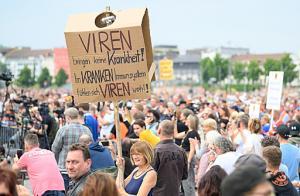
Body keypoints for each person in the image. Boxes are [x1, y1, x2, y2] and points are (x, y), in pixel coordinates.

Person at [52, 107, 93, 190]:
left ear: (68, 118)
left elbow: (55, 148)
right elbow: (91, 147)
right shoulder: (87, 130)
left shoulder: (63, 130)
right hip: (81, 168)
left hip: (65, 168)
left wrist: (56, 164)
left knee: (66, 191)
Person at [153, 120, 188, 196]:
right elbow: (184, 175)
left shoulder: (156, 151)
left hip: (158, 192)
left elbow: (151, 175)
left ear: (159, 130)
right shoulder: (181, 151)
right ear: (173, 132)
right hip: (175, 191)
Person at [174, 114, 200, 196]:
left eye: (187, 119)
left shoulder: (193, 133)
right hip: (185, 158)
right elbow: (176, 135)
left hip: (188, 158)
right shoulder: (188, 132)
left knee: (188, 183)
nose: (185, 120)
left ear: (191, 121)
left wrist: (188, 162)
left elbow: (192, 149)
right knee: (185, 183)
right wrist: (174, 123)